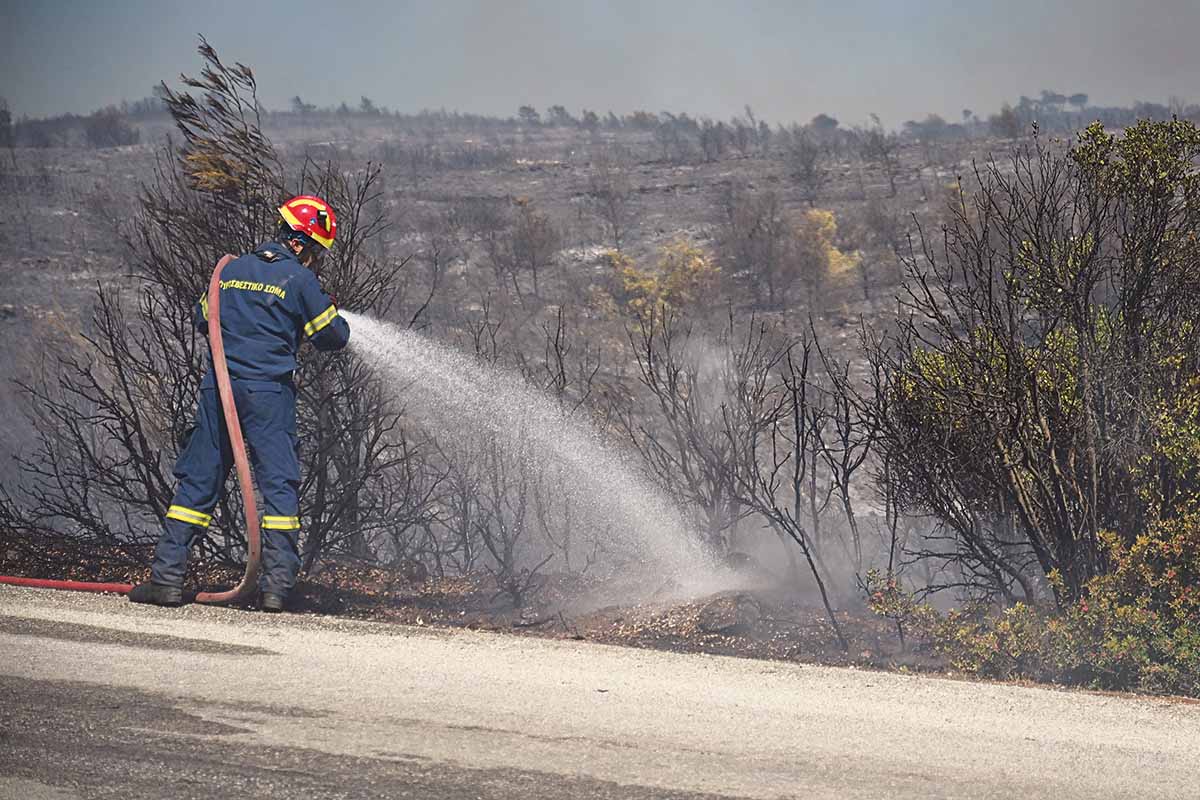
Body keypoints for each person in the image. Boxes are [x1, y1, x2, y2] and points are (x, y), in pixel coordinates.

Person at [129, 195, 350, 612]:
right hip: (268, 394)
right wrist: (325, 313)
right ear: (300, 242)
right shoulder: (299, 279)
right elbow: (332, 336)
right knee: (279, 485)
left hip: (219, 390)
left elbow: (203, 318)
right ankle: (276, 589)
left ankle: (167, 580)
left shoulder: (230, 271)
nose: (316, 260)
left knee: (198, 480)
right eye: (316, 251)